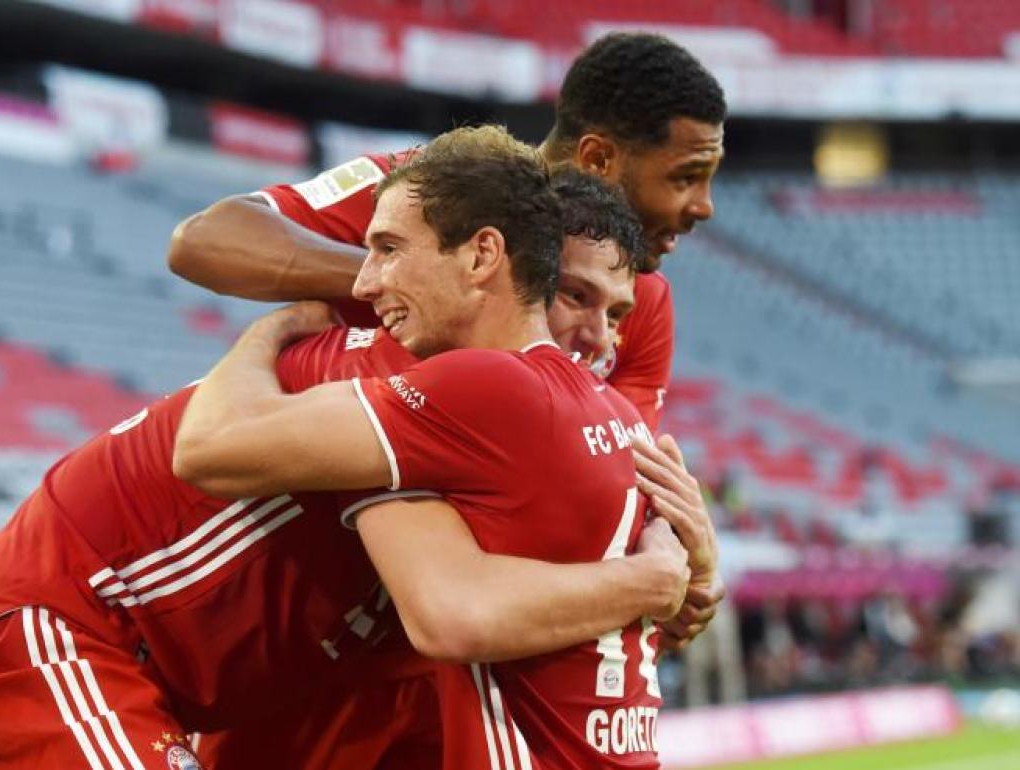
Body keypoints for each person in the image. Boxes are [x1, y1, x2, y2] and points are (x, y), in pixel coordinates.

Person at [0, 130, 697, 770]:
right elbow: (450, 608)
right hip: (54, 629)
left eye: (614, 311)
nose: (367, 278)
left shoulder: (544, 399)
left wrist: (689, 570)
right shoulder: (414, 377)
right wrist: (651, 577)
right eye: (573, 296)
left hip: (220, 677)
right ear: (498, 261)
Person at [170, 31, 725, 769]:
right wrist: (414, 275)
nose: (705, 207)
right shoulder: (433, 197)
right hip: (311, 634)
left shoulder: (639, 303)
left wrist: (692, 565)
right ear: (596, 158)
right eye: (687, 176)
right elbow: (205, 241)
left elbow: (604, 512)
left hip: (453, 657)